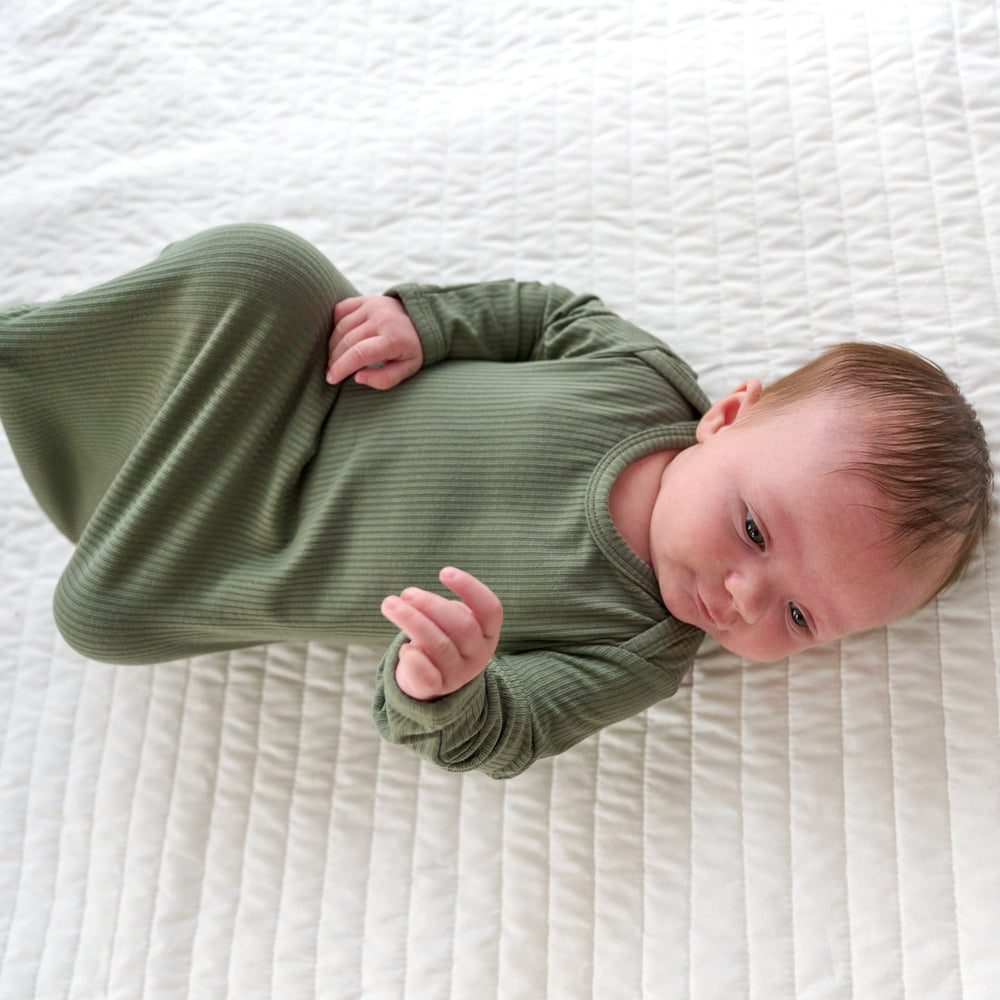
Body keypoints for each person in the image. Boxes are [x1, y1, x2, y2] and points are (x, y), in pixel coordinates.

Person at [0, 224, 993, 778]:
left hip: (238, 544)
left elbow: (509, 729)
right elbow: (541, 314)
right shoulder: (642, 380)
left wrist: (447, 687)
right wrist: (423, 324)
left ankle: (96, 465)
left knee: (96, 618)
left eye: (797, 615)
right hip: (295, 392)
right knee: (265, 268)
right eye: (752, 529)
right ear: (727, 415)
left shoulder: (633, 651)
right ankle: (27, 346)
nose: (742, 592)